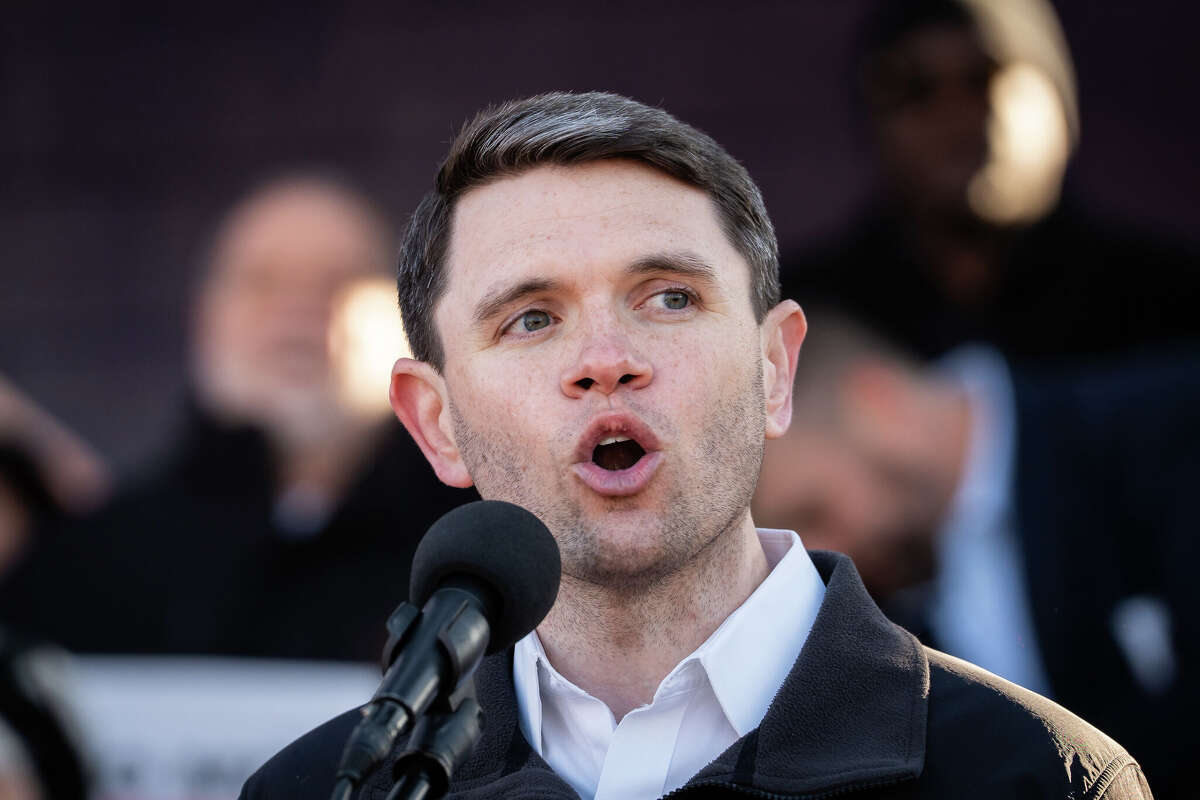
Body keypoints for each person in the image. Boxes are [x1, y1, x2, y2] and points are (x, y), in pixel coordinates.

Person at [242, 92, 1151, 799]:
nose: (607, 361)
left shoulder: (1038, 778)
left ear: (774, 371)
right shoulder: (315, 791)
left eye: (669, 297)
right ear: (437, 424)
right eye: (531, 318)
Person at [0, 174, 475, 661]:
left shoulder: (480, 552)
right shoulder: (91, 562)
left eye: (340, 280)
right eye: (261, 281)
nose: (298, 309)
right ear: (206, 314)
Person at [754, 307, 1198, 797]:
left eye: (814, 510)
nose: (823, 554)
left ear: (877, 404)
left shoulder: (1171, 426)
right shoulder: (882, 628)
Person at [783, 0, 1199, 361]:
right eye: (914, 89)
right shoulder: (802, 319)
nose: (956, 118)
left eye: (986, 78)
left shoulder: (1167, 307)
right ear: (870, 125)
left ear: (1062, 104)